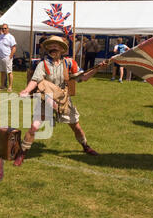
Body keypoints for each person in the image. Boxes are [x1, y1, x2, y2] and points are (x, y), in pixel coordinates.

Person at [13, 36, 98, 167]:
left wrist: (97, 68)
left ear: (62, 49)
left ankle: (85, 146)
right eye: (51, 45)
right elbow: (35, 80)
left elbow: (84, 77)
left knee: (76, 126)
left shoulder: (69, 63)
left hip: (62, 99)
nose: (53, 48)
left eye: (56, 45)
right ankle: (22, 153)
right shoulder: (43, 64)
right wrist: (26, 90)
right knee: (34, 127)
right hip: (45, 99)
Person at [0, 23, 16, 92]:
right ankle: (2, 86)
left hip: (7, 57)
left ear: (8, 29)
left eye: (5, 28)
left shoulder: (11, 37)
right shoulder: (0, 36)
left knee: (9, 72)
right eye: (2, 28)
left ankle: (10, 87)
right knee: (2, 72)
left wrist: (10, 56)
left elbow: (14, 48)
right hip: (0, 57)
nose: (4, 29)